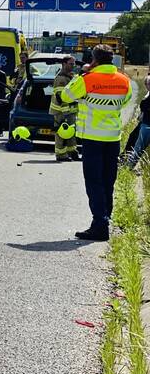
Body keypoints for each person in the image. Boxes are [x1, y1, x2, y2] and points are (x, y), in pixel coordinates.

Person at [60, 44, 132, 241]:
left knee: (94, 181)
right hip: (113, 138)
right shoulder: (124, 80)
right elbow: (125, 102)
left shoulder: (87, 79)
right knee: (108, 180)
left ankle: (99, 224)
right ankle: (105, 218)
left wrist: (81, 75)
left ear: (94, 60)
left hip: (93, 138)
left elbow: (65, 95)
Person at [49, 55, 79, 162]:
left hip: (69, 111)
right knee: (61, 133)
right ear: (64, 64)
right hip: (61, 111)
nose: (73, 66)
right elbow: (60, 97)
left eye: (73, 64)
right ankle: (61, 155)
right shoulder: (61, 78)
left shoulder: (69, 76)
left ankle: (72, 152)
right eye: (71, 63)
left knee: (70, 132)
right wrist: (66, 113)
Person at [123, 89, 150, 167]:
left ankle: (128, 167)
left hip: (146, 125)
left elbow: (143, 107)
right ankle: (128, 166)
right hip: (146, 124)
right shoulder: (147, 98)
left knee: (138, 149)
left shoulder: (146, 99)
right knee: (137, 148)